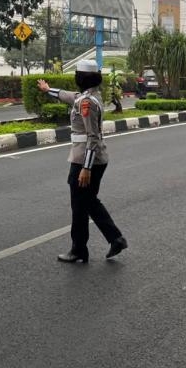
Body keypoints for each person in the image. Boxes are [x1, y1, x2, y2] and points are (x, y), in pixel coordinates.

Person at [37, 60, 127, 263]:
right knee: (89, 202)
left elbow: (92, 136)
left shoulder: (86, 103)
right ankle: (115, 239)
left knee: (79, 204)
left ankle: (79, 249)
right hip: (94, 159)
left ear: (82, 78)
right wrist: (47, 89)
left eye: (77, 74)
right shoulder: (90, 96)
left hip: (85, 160)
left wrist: (85, 168)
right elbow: (69, 96)